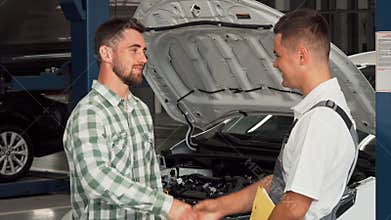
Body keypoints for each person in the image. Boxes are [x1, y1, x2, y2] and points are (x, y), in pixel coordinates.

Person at [194, 9, 358, 220]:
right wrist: (220, 206)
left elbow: (294, 207)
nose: (275, 63)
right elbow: (279, 184)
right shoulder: (329, 110)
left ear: (301, 56)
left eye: (278, 55)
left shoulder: (320, 121)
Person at [63, 18, 197, 220]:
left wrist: (162, 212)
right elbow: (97, 180)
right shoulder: (89, 114)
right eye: (134, 50)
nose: (143, 59)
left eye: (143, 51)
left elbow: (152, 180)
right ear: (106, 53)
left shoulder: (140, 110)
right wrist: (166, 205)